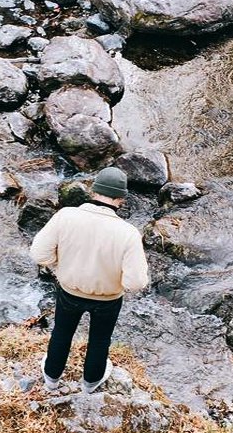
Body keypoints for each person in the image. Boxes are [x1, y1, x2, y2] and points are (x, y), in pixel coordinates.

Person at [28, 167, 149, 393]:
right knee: (100, 340)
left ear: (93, 191)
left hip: (69, 290)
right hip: (108, 299)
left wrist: (59, 266)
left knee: (62, 333)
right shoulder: (128, 232)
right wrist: (114, 280)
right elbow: (136, 282)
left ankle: (52, 380)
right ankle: (90, 384)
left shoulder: (65, 216)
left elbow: (38, 254)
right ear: (121, 199)